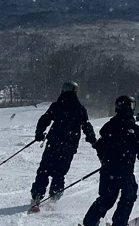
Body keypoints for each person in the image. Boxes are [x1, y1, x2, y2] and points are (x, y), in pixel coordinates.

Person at [79, 94, 139, 226]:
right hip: (125, 172)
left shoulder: (109, 127)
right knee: (129, 195)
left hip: (107, 170)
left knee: (106, 198)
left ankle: (89, 225)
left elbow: (100, 147)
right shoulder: (135, 130)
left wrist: (105, 161)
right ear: (131, 108)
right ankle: (119, 225)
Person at [30, 81, 97, 210]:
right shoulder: (80, 108)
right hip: (70, 145)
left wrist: (39, 133)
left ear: (62, 91)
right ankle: (54, 199)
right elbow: (86, 125)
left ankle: (37, 197)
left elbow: (45, 119)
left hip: (54, 142)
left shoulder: (57, 105)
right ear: (75, 91)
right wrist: (93, 140)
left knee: (44, 169)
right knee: (60, 173)